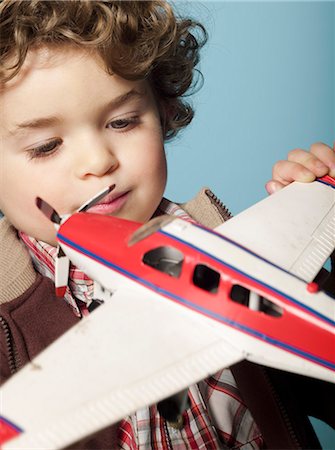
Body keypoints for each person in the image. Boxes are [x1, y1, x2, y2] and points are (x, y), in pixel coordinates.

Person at [0, 1, 334, 448]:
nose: (99, 161)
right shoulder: (8, 311)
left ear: (163, 111)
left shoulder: (226, 240)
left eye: (122, 121)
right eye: (46, 146)